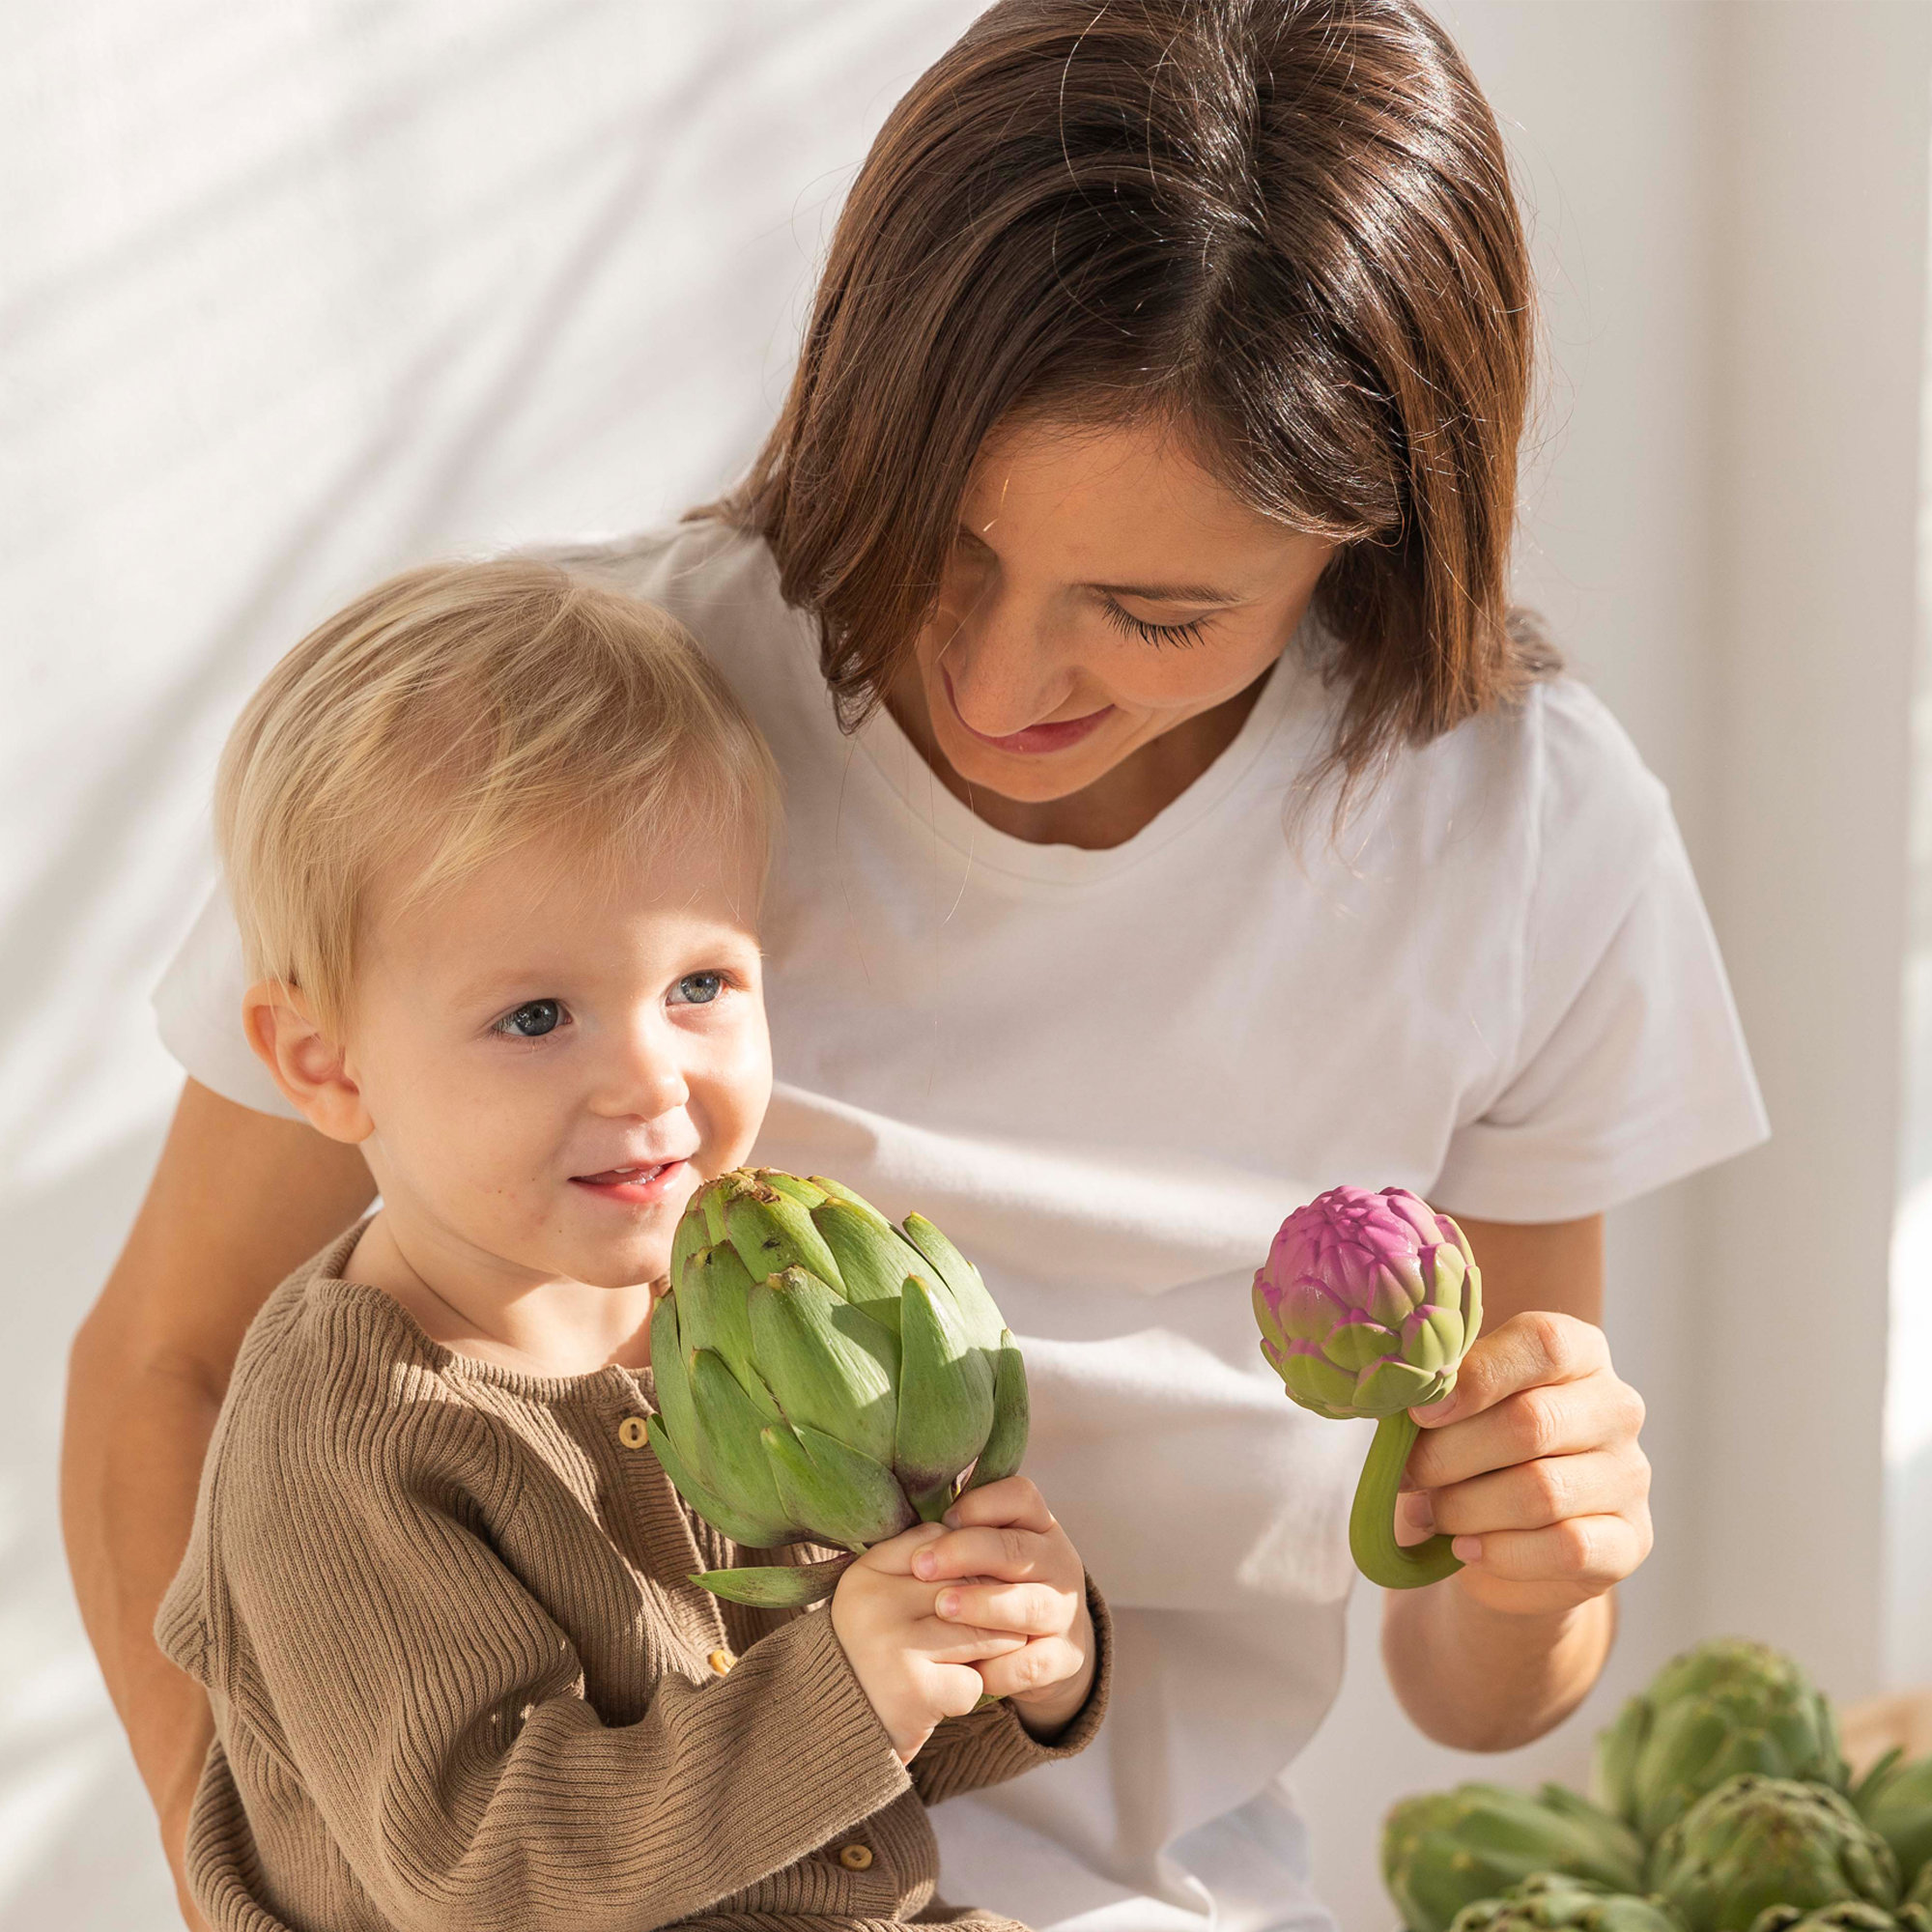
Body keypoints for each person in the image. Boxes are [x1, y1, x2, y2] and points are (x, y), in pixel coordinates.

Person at [62, 3, 1767, 1929]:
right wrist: (254, 1889)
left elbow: (1480, 1689)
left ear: (1366, 535)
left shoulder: (1517, 840)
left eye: (1154, 612)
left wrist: (1538, 1552)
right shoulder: (555, 741)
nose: (994, 679)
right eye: (940, 542)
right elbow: (172, 1364)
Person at [156, 556, 1107, 1932]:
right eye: (539, 1016)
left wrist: (1013, 1654)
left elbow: (837, 1779)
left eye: (701, 985)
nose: (652, 1080)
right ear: (327, 1062)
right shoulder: (345, 1433)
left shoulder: (739, 1322)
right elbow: (489, 1869)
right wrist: (846, 1685)